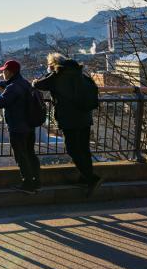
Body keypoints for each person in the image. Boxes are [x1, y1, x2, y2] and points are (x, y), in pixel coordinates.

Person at [33, 53, 103, 197]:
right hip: (85, 117)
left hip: (69, 119)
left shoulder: (57, 76)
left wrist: (37, 80)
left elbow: (38, 85)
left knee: (72, 149)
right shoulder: (80, 75)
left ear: (53, 65)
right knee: (84, 149)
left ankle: (91, 178)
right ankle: (85, 177)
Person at [0, 60, 41, 194]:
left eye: (4, 71)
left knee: (21, 155)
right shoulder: (23, 83)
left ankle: (28, 184)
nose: (3, 73)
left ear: (10, 72)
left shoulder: (12, 88)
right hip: (29, 125)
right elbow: (5, 84)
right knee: (30, 154)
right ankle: (36, 181)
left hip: (18, 127)